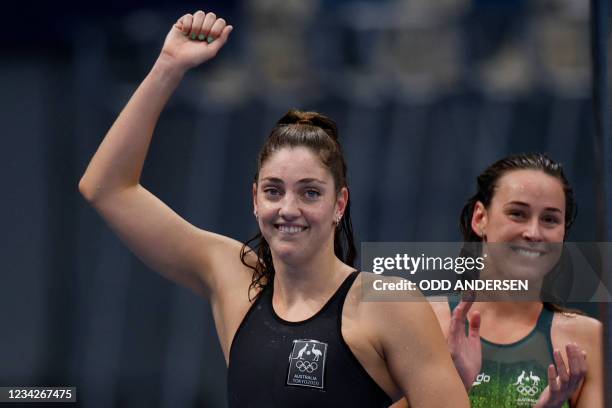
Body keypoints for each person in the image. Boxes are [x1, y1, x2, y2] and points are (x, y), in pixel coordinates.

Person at [78, 10, 469, 407]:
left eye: (310, 193)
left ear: (340, 204)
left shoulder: (389, 303)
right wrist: (168, 67)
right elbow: (106, 188)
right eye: (273, 190)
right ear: (254, 200)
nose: (289, 208)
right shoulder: (232, 277)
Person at [429, 153, 604, 408]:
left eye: (550, 219)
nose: (533, 233)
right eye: (517, 214)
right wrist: (453, 386)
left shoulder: (587, 340)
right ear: (480, 219)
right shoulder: (424, 321)